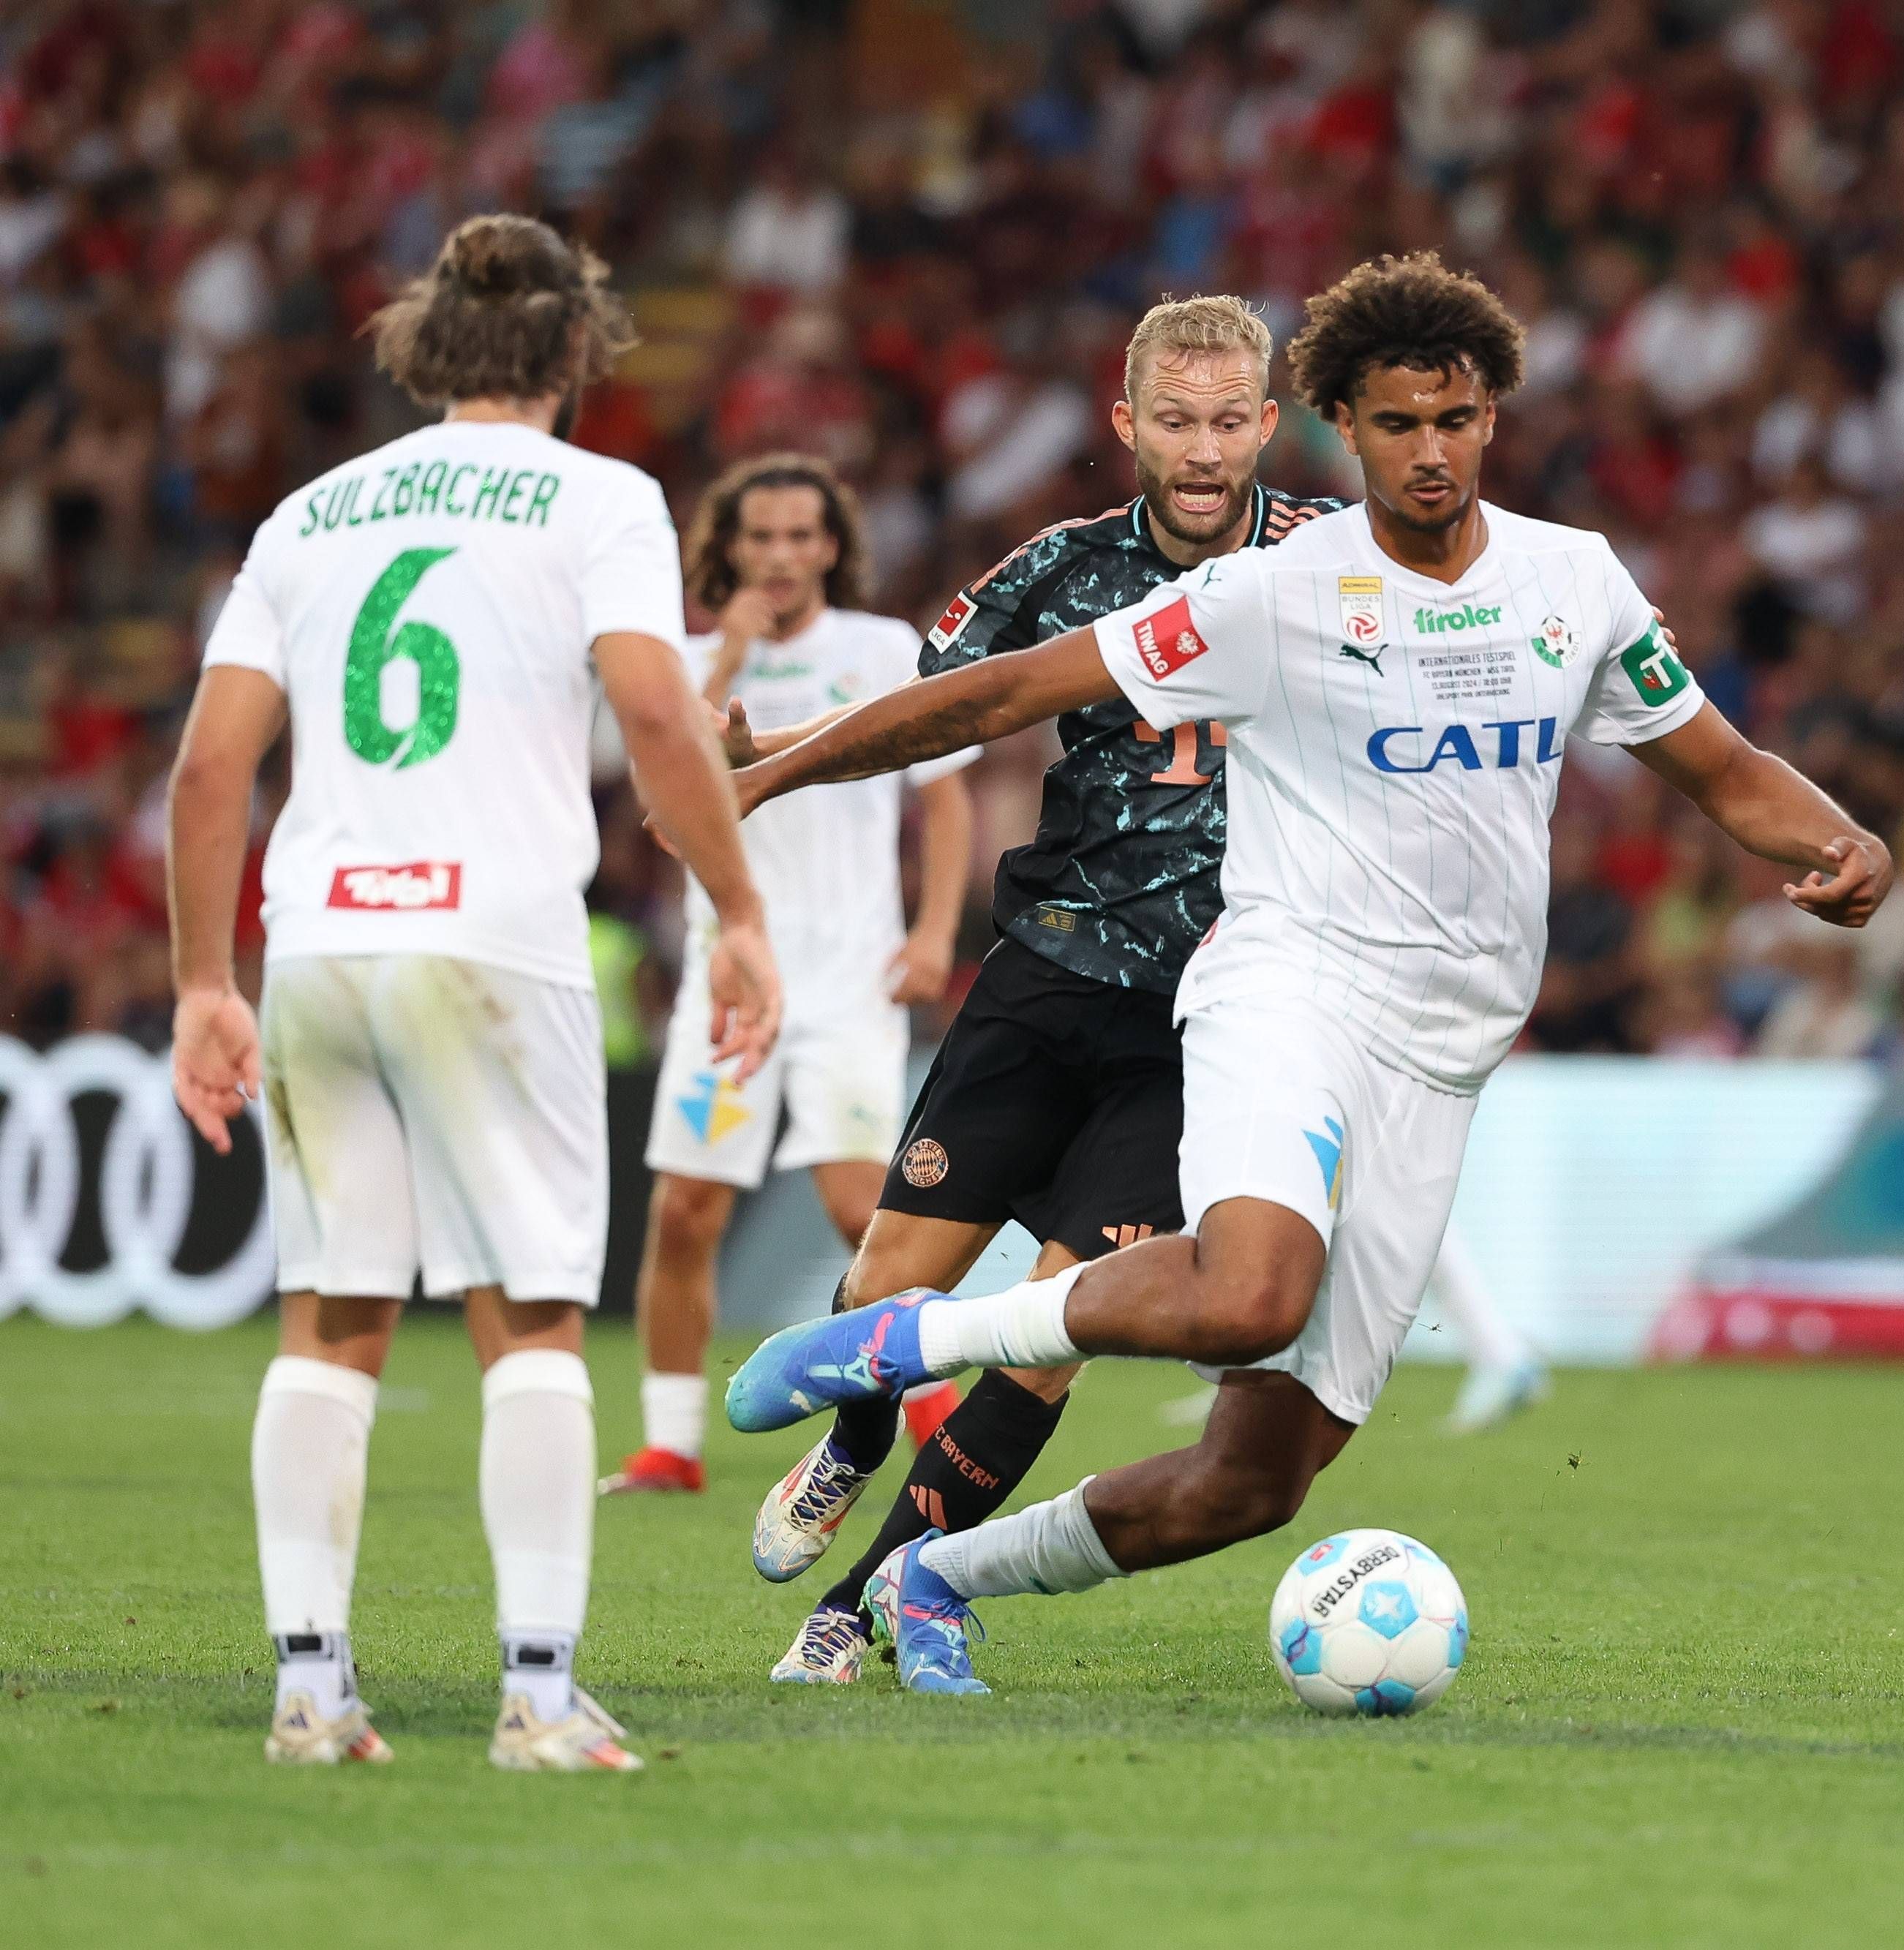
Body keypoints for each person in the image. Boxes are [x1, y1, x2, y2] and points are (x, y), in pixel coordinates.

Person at [718, 252, 1893, 1695]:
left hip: (1443, 1056)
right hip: (1280, 991)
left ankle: (932, 1573)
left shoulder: (1570, 582)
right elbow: (1006, 690)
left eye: (1453, 418)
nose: (1427, 450)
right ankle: (910, 1337)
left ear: (1489, 419)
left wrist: (1838, 842)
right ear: (1340, 423)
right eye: (1394, 423)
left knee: (1251, 1483)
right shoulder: (1273, 591)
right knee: (1249, 1294)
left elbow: (1713, 761)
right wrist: (771, 773)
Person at [165, 214, 780, 1769]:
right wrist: (742, 908)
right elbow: (652, 705)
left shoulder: (309, 514)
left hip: (318, 943)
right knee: (531, 1323)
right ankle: (539, 1692)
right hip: (492, 946)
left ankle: (311, 1692)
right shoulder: (602, 500)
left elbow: (209, 765)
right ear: (577, 351)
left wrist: (198, 984)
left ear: (428, 348)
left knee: (328, 1318)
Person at [731, 295, 1350, 1685]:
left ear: (1267, 423)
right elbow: (929, 708)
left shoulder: (1333, 559)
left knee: (1055, 1333)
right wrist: (767, 746)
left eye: (1228, 423)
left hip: (1204, 1018)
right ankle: (851, 1436)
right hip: (1044, 976)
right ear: (1129, 425)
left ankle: (864, 1601)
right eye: (1174, 422)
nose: (1203, 452)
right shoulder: (1060, 570)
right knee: (893, 1281)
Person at [598, 454, 974, 1497]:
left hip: (850, 974)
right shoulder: (679, 661)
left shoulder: (882, 647)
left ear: (831, 546)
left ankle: (932, 1404)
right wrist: (723, 662)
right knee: (685, 1210)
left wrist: (936, 927)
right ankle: (671, 1444)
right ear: (727, 548)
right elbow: (656, 799)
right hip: (729, 979)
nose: (779, 556)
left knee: (863, 1207)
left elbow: (942, 794)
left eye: (800, 536)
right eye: (759, 537)